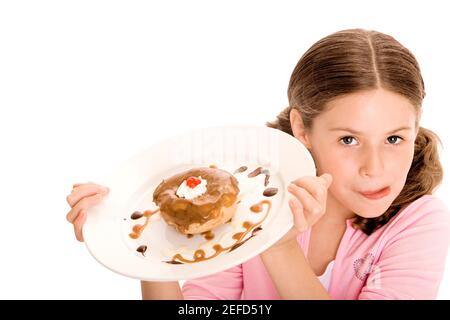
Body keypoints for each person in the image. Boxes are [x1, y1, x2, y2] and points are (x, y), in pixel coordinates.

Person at [66, 28, 450, 299]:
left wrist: (278, 247)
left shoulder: (420, 223)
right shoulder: (250, 201)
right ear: (302, 128)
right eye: (349, 139)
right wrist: (145, 249)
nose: (375, 167)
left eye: (395, 138)